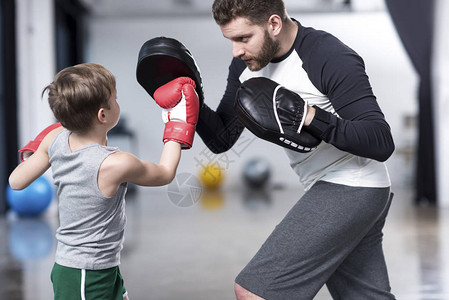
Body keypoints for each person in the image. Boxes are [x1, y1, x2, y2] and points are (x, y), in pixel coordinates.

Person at [195, 0, 396, 299]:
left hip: (353, 183)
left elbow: (380, 141)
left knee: (254, 290)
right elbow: (222, 138)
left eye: (243, 38)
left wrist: (310, 116)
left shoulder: (327, 55)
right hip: (333, 186)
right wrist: (189, 100)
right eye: (231, 40)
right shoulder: (245, 64)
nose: (236, 50)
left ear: (273, 24)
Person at [8, 63, 200, 299]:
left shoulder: (54, 139)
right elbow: (164, 172)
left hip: (99, 267)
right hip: (84, 275)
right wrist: (177, 122)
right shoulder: (115, 164)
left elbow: (16, 182)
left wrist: (40, 150)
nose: (119, 102)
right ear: (103, 115)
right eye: (115, 98)